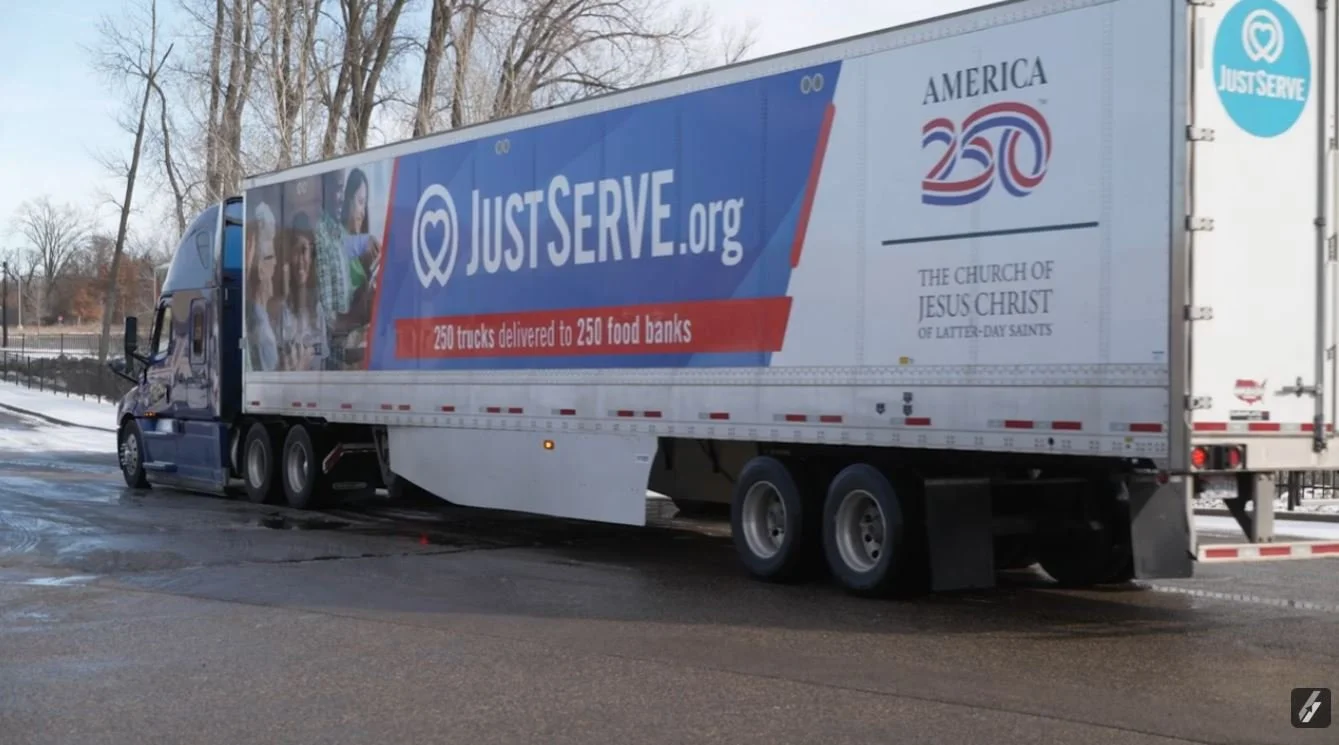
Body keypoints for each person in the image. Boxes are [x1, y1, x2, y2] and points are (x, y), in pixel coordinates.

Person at [279, 212, 329, 371]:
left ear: (312, 255)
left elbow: (323, 362)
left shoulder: (318, 309)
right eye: (295, 252)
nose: (300, 261)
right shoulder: (283, 311)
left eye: (304, 250)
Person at [245, 203, 280, 372]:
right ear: (260, 270)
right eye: (271, 257)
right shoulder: (262, 332)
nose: (276, 262)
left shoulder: (258, 317)